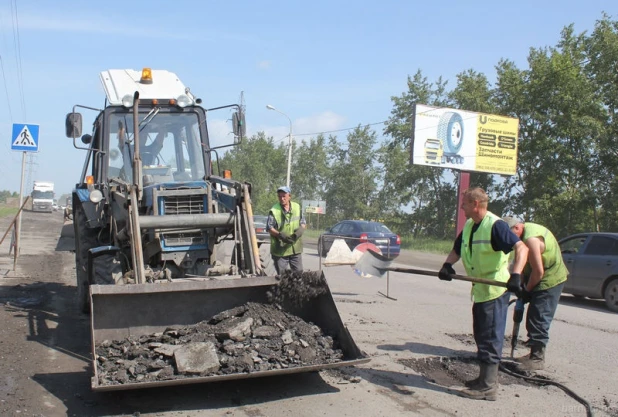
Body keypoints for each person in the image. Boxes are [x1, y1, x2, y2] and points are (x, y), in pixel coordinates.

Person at [438, 187, 528, 401]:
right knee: (481, 334)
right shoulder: (470, 225)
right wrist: (447, 265)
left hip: (494, 290)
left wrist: (516, 275)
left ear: (475, 204)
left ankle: (488, 388)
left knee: (490, 337)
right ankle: (482, 380)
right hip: (480, 290)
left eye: (464, 204)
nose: (461, 207)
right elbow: (458, 249)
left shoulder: (495, 225)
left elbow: (521, 248)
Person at [502, 216, 568, 371]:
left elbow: (538, 272)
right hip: (537, 275)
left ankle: (537, 358)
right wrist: (520, 282)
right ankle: (533, 353)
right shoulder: (522, 236)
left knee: (538, 315)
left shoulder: (531, 240)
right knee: (534, 315)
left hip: (550, 279)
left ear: (517, 228)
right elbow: (524, 265)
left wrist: (526, 290)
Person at [266, 186, 306, 274]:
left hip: (295, 248)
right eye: (279, 196)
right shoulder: (274, 210)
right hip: (280, 250)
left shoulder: (297, 207)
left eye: (284, 196)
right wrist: (280, 235)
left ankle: (296, 288)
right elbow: (269, 228)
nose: (282, 198)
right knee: (282, 276)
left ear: (289, 196)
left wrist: (299, 232)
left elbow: (303, 223)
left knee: (298, 273)